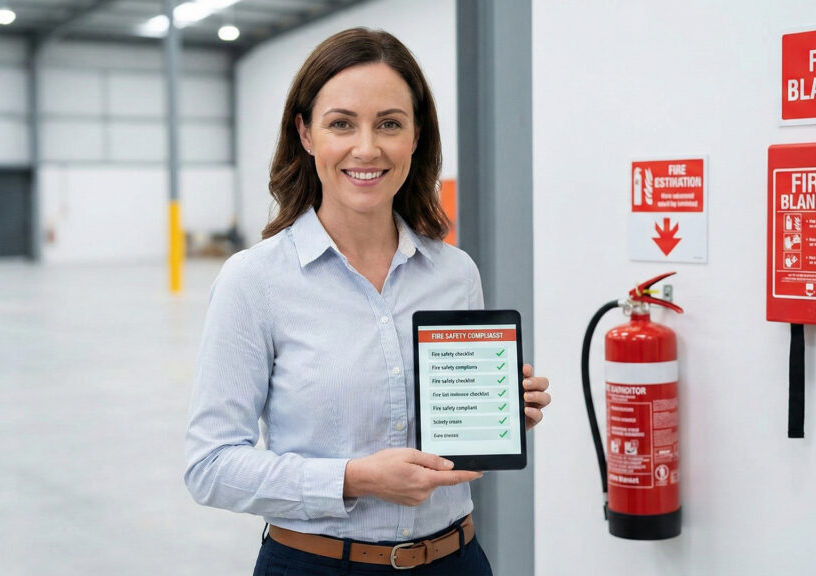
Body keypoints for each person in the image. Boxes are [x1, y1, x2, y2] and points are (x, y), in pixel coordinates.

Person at [184, 27, 551, 575]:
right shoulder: (254, 281)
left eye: (389, 124)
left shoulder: (454, 272)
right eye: (341, 123)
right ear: (305, 134)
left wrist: (496, 412)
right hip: (317, 565)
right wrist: (353, 478)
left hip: (456, 560)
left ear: (415, 136)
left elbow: (452, 435)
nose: (367, 148)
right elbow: (209, 466)